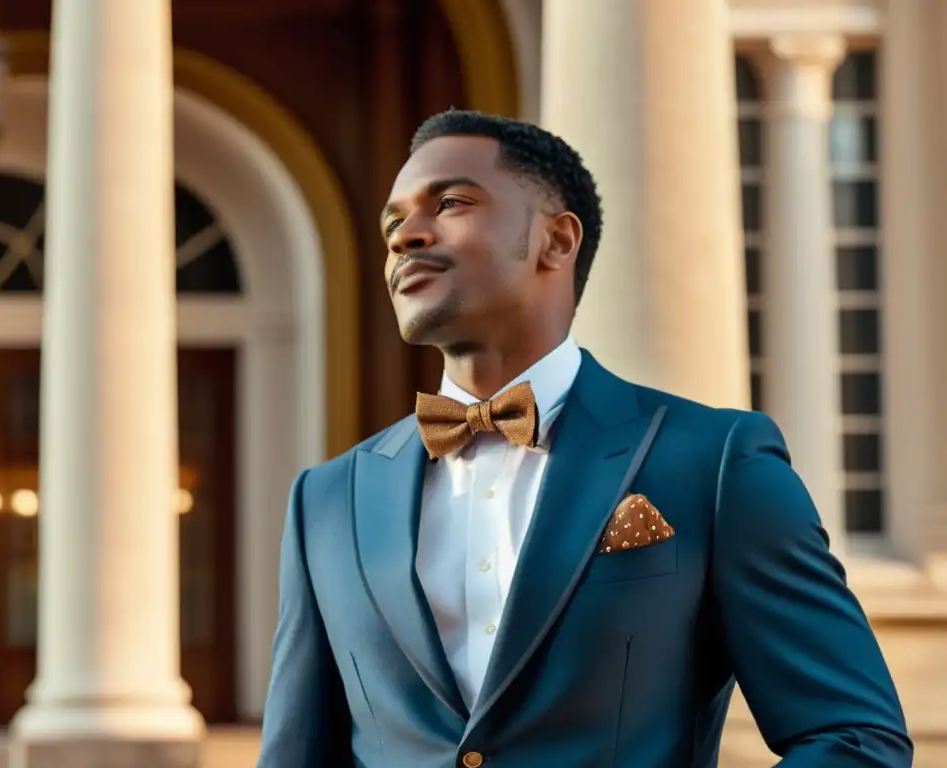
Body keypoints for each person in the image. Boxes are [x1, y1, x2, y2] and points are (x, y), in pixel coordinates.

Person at [257, 109, 911, 767]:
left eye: (450, 202)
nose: (406, 236)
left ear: (557, 242)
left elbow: (855, 738)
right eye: (393, 222)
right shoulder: (326, 501)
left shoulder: (712, 461)